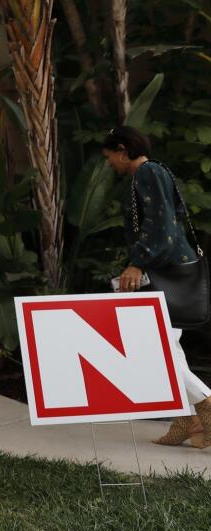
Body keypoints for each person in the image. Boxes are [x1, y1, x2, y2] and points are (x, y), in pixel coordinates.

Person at [102, 125, 211, 448]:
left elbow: (161, 224)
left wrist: (139, 261)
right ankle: (188, 420)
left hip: (166, 270)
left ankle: (204, 406)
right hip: (167, 268)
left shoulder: (147, 172)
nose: (111, 165)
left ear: (123, 149)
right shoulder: (151, 174)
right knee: (166, 348)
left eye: (111, 158)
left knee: (157, 348)